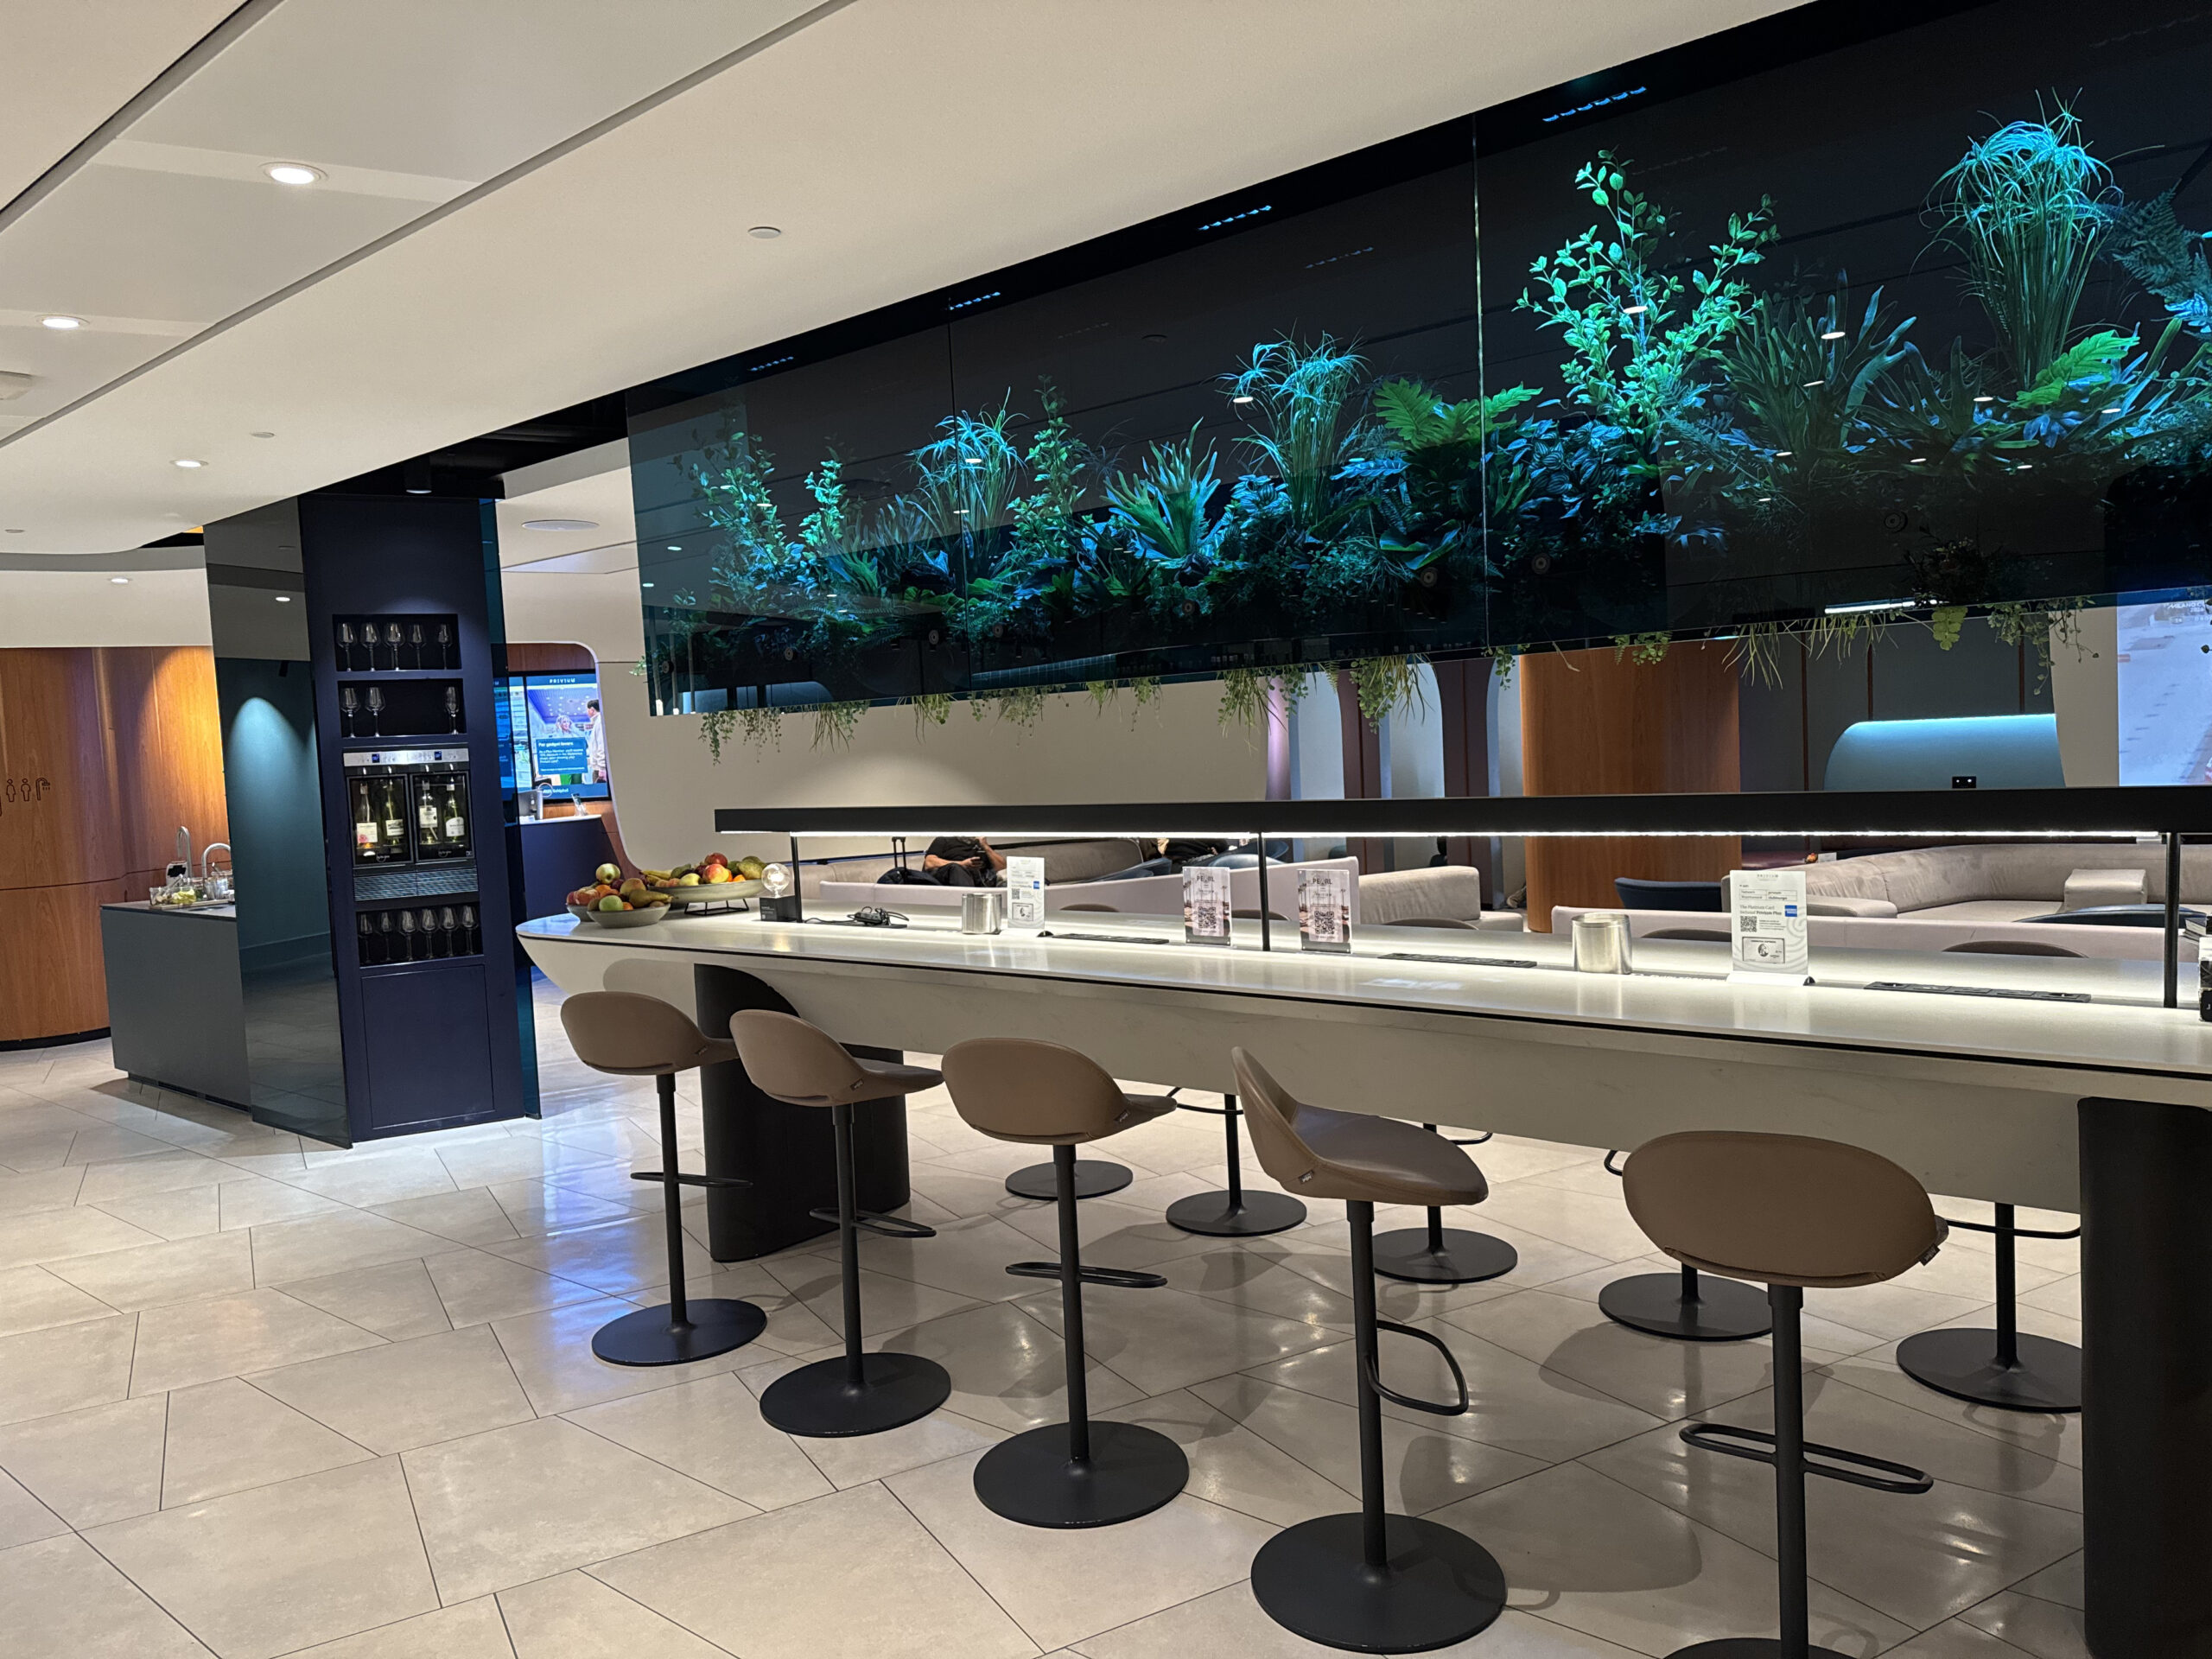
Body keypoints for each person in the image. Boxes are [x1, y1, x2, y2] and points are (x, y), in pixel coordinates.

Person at [923, 835, 1006, 887]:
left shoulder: (980, 845)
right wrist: (962, 864)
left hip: (976, 878)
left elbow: (1002, 867)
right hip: (949, 875)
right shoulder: (944, 839)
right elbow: (929, 863)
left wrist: (985, 845)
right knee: (956, 868)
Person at [583, 698, 607, 784]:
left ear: (592, 709)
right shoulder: (598, 722)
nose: (587, 712)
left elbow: (602, 746)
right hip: (598, 768)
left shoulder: (600, 722)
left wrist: (602, 768)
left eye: (587, 710)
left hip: (600, 770)